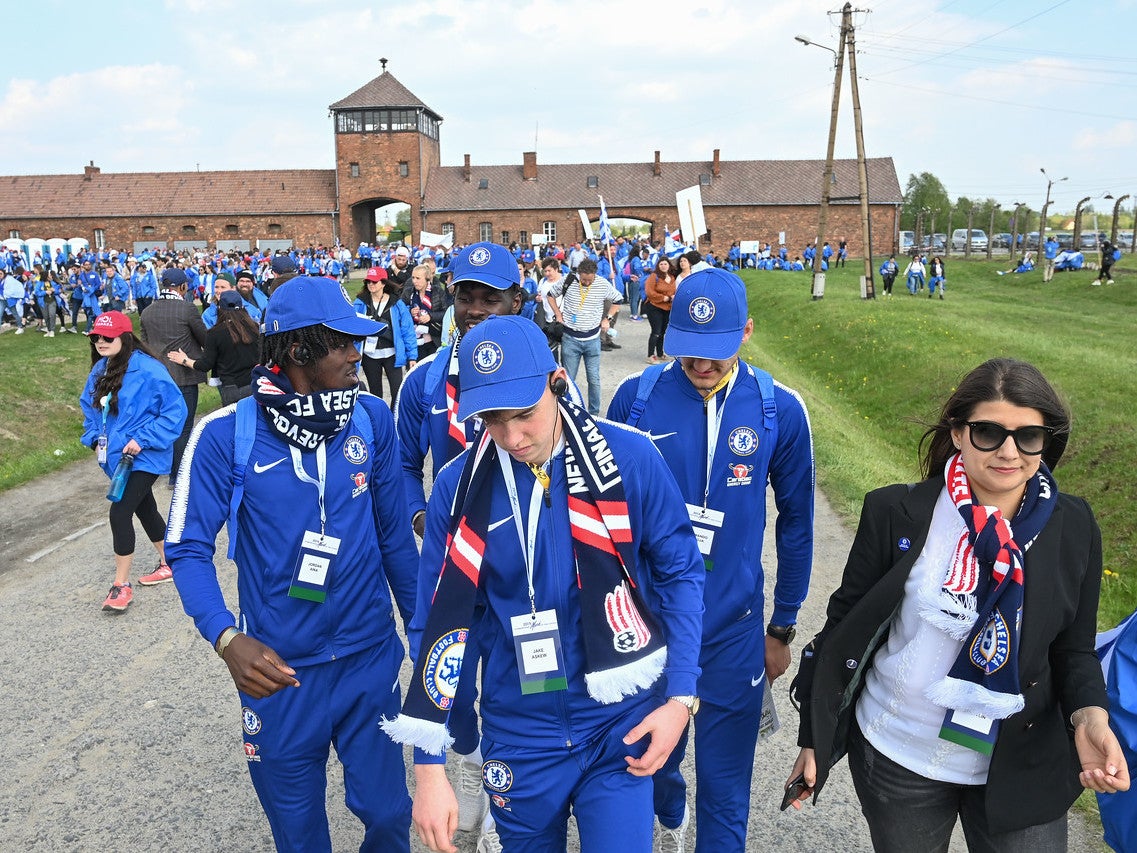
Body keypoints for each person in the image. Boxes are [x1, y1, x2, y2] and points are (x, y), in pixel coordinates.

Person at [383, 315, 705, 853]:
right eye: (491, 420)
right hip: (520, 731)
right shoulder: (453, 489)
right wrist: (430, 766)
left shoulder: (630, 457)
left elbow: (681, 574)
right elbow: (434, 624)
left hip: (617, 717)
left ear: (557, 381)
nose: (511, 437)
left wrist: (680, 699)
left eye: (525, 414)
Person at [786, 358, 1130, 850]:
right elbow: (844, 626)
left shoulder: (1074, 525)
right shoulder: (895, 512)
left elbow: (1073, 650)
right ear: (959, 432)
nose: (1009, 451)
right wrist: (815, 734)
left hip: (1022, 762)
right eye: (988, 432)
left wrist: (1090, 717)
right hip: (899, 755)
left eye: (1029, 436)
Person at [165, 276, 419, 853]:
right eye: (343, 344)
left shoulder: (372, 418)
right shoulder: (224, 435)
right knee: (299, 836)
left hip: (368, 660)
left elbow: (394, 538)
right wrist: (227, 637)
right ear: (299, 351)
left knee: (387, 816)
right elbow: (185, 546)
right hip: (280, 673)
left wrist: (423, 634)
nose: (359, 355)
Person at [608, 269, 815, 852]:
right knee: (653, 767)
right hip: (651, 627)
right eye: (688, 350)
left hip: (734, 631)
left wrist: (783, 625)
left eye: (715, 352)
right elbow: (605, 516)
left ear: (746, 332)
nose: (700, 364)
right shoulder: (638, 398)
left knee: (726, 792)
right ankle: (669, 811)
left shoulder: (777, 409)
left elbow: (797, 521)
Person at [79, 311, 187, 610]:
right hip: (116, 458)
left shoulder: (150, 370)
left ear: (124, 338)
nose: (100, 342)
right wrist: (92, 437)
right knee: (145, 508)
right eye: (96, 337)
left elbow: (174, 412)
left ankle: (120, 586)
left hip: (146, 456)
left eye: (107, 337)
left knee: (119, 512)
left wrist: (142, 439)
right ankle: (171, 562)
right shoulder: (101, 368)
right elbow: (89, 407)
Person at [140, 267, 208, 486]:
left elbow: (144, 345)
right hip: (183, 374)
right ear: (182, 287)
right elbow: (205, 338)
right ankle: (177, 474)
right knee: (184, 425)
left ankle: (165, 468)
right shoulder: (187, 309)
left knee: (164, 423)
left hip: (157, 376)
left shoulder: (147, 311)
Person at [544, 258, 621, 416]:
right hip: (570, 340)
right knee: (568, 380)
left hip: (592, 340)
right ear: (578, 274)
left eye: (589, 280)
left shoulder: (602, 284)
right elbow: (550, 294)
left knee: (594, 379)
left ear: (595, 275)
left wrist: (608, 318)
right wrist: (557, 314)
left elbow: (618, 300)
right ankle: (567, 411)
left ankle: (593, 413)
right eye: (583, 280)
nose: (586, 283)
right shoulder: (569, 280)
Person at [168, 290, 261, 405]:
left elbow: (205, 365)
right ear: (243, 307)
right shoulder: (255, 328)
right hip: (256, 384)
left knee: (234, 422)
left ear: (219, 308)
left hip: (232, 388)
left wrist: (185, 360)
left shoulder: (215, 333)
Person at [353, 267, 417, 404]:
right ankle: (379, 421)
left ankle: (393, 420)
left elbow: (407, 330)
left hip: (392, 355)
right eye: (368, 281)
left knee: (397, 392)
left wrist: (412, 356)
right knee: (375, 394)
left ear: (383, 283)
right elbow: (352, 328)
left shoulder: (397, 304)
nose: (371, 284)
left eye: (374, 282)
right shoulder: (360, 303)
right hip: (370, 355)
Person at [643, 256, 677, 364]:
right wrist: (664, 298)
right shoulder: (654, 276)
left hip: (667, 308)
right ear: (658, 265)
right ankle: (650, 355)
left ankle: (660, 352)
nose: (663, 266)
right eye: (661, 264)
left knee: (663, 332)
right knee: (656, 331)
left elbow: (674, 290)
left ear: (669, 265)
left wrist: (672, 297)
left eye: (665, 264)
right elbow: (649, 291)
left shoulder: (672, 277)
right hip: (654, 306)